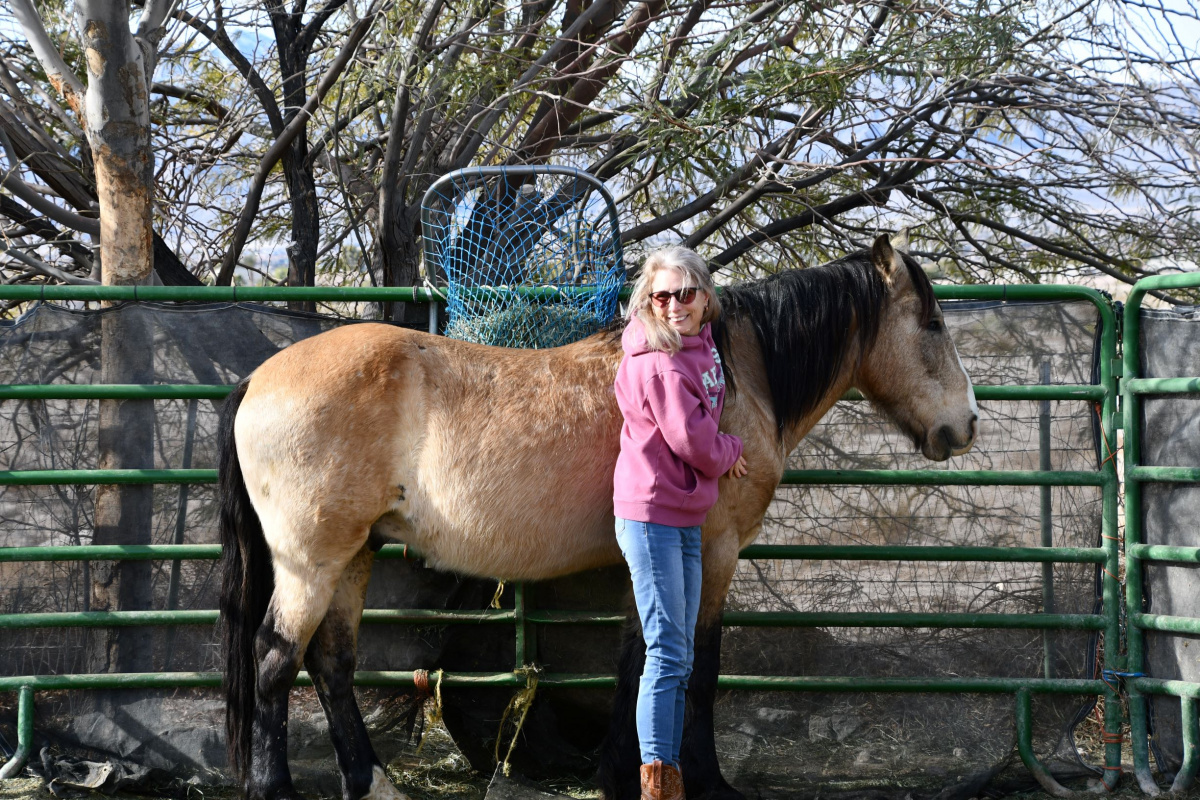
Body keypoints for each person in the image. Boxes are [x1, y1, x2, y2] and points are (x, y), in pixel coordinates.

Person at [612, 246, 747, 800]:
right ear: (649, 300)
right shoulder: (661, 362)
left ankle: (665, 778)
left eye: (684, 294)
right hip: (652, 517)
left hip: (682, 514)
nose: (673, 305)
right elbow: (691, 440)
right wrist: (731, 448)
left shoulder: (699, 344)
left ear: (705, 296)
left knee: (679, 650)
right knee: (667, 650)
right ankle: (658, 785)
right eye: (661, 295)